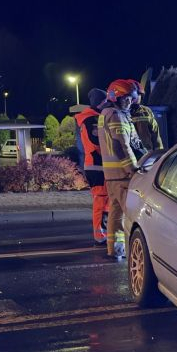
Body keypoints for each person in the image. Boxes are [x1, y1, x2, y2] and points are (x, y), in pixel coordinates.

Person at [99, 79, 141, 258]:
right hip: (123, 175)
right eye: (126, 99)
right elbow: (121, 145)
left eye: (131, 99)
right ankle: (136, 252)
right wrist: (133, 168)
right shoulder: (116, 115)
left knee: (115, 214)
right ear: (115, 97)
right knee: (131, 215)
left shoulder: (106, 114)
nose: (130, 102)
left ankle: (115, 249)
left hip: (111, 175)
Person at [75, 88, 110, 246]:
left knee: (104, 201)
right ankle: (100, 234)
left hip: (96, 165)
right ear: (99, 103)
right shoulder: (91, 120)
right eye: (104, 102)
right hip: (97, 166)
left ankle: (104, 232)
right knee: (101, 201)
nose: (107, 104)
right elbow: (96, 143)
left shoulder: (90, 119)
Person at [129, 87, 163, 156]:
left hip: (147, 153)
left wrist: (159, 153)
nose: (138, 97)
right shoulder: (122, 113)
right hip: (130, 154)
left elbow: (155, 133)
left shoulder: (146, 111)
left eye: (140, 95)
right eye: (136, 95)